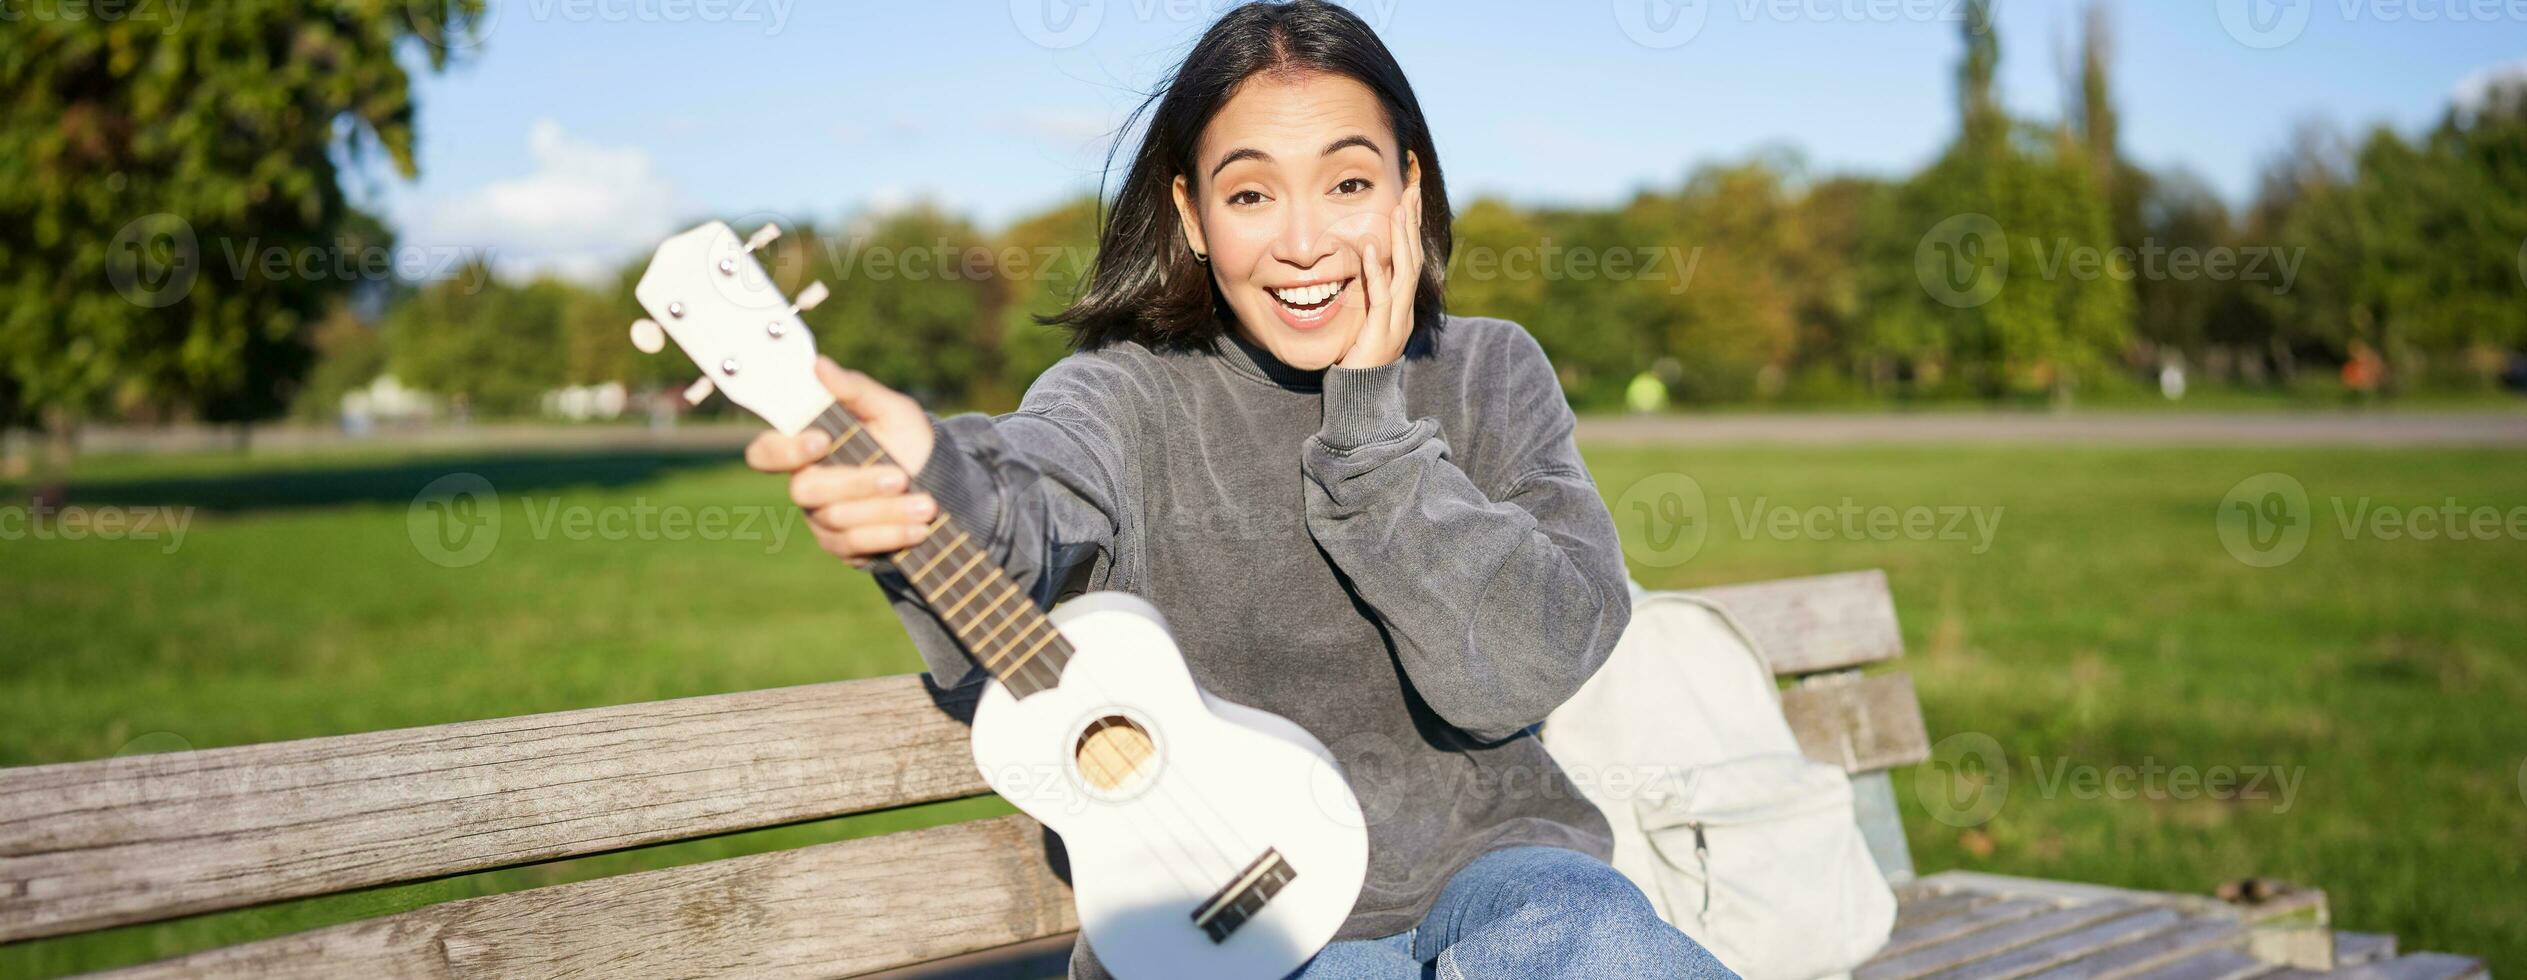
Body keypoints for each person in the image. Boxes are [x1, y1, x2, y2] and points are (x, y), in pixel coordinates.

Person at [746, 3, 1734, 977]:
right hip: (1237, 923)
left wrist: (1372, 433)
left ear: (1409, 188)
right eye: (1251, 194)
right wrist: (932, 484)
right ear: (1191, 215)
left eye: (1346, 181)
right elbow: (1033, 496)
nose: (1301, 242)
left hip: (1499, 865)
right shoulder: (1122, 391)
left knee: (1601, 935)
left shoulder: (1491, 370)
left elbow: (1521, 670)